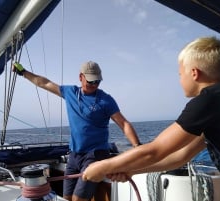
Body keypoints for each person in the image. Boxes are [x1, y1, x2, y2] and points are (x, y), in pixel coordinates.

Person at [82, 37, 220, 201]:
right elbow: (178, 157)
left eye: (180, 74)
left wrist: (103, 166)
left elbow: (154, 151)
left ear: (194, 73)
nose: (179, 80)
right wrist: (130, 171)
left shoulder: (210, 99)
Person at [13, 61, 141, 201]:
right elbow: (44, 83)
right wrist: (23, 72)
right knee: (66, 198)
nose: (95, 85)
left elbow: (123, 123)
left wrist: (137, 147)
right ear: (81, 77)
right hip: (74, 155)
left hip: (95, 155)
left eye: (98, 81)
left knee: (78, 199)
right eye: (91, 81)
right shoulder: (70, 93)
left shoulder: (106, 100)